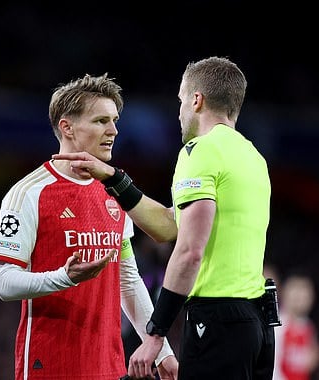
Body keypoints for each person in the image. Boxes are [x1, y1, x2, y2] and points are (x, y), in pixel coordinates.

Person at [54, 56, 274, 379]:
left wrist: (155, 334)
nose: (180, 110)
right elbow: (171, 225)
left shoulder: (200, 152)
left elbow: (188, 249)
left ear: (197, 100)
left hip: (216, 322)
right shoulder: (254, 158)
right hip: (257, 327)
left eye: (182, 100)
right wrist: (114, 179)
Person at [0, 73, 178, 379]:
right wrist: (64, 277)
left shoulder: (115, 192)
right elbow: (5, 283)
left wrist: (161, 349)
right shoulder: (28, 194)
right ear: (67, 127)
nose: (114, 130)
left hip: (109, 366)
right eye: (100, 121)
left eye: (115, 120)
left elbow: (128, 280)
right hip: (49, 364)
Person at [273, 271, 319, 380]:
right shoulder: (277, 326)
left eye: (305, 294)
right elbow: (273, 368)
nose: (300, 298)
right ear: (284, 292)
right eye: (296, 292)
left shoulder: (308, 327)